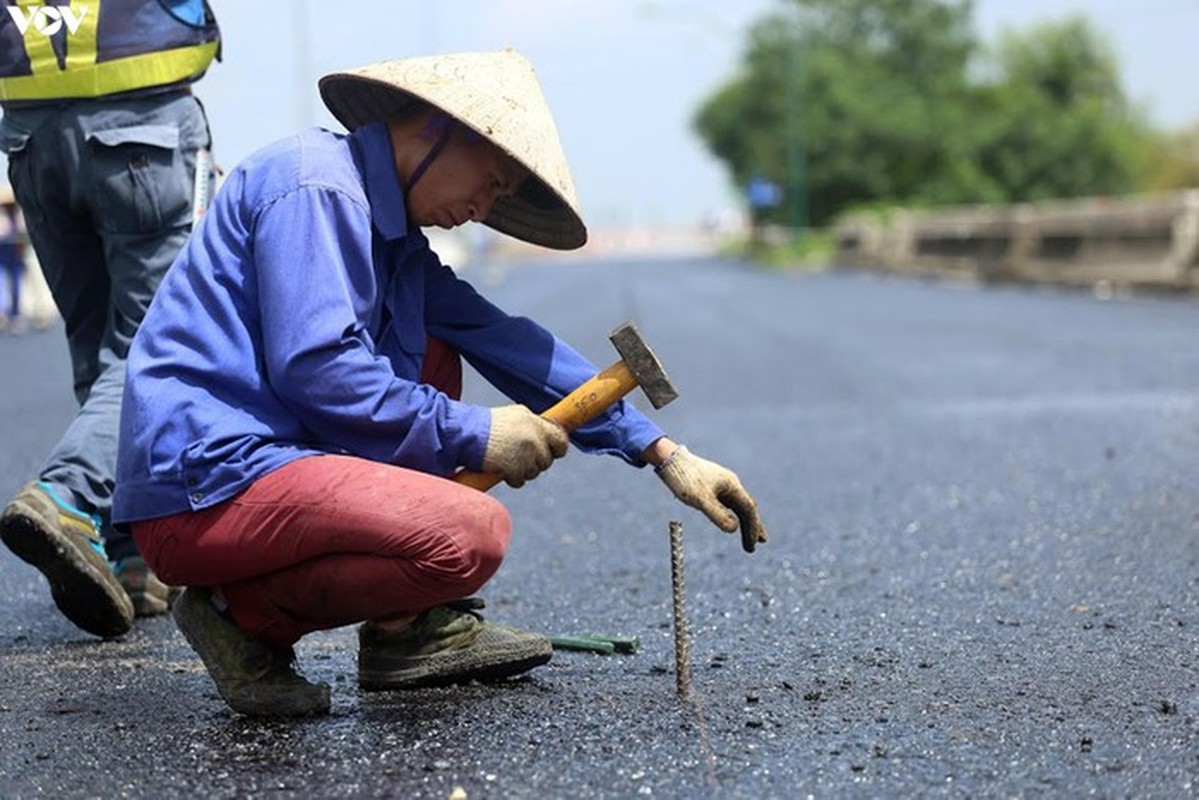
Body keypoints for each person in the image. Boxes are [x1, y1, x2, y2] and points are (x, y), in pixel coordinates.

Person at [113, 49, 769, 718]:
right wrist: (477, 432)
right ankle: (240, 616)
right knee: (468, 533)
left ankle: (403, 631)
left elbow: (499, 337)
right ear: (432, 130)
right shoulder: (315, 187)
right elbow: (317, 368)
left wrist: (662, 453)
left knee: (432, 349)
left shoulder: (392, 240)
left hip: (268, 466)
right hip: (203, 487)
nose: (481, 209)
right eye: (488, 182)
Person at [0, 1, 221, 638]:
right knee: (151, 347)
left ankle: (129, 551)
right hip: (142, 124)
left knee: (97, 347)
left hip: (32, 134)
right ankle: (68, 496)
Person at [0, 185, 25, 332]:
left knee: (16, 286)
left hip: (15, 257)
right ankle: (3, 313)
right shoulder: (3, 217)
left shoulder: (18, 216)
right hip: (2, 257)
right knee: (2, 284)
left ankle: (15, 313)